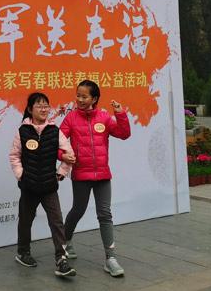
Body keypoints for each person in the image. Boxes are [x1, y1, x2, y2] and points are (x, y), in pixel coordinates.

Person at [60, 79, 131, 277]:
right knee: (78, 210)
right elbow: (58, 141)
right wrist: (63, 156)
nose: (80, 99)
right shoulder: (71, 118)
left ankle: (111, 258)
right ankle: (65, 242)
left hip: (102, 175)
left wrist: (120, 114)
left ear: (94, 98)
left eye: (84, 96)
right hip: (81, 175)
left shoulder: (104, 117)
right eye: (78, 95)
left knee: (105, 214)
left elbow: (124, 134)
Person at [9, 92, 77, 277]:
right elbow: (14, 156)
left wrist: (61, 173)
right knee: (25, 221)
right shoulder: (22, 131)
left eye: (46, 106)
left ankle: (61, 260)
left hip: (49, 187)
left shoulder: (55, 131)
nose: (44, 109)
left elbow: (69, 153)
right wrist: (21, 175)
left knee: (57, 222)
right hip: (29, 186)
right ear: (30, 109)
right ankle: (23, 253)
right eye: (39, 106)